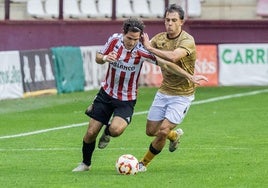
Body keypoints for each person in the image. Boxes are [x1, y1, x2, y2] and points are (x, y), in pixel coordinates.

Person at [72, 17, 205, 172]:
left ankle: (107, 132)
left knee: (116, 130)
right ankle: (85, 164)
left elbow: (167, 64)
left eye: (136, 39)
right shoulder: (114, 40)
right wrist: (106, 58)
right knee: (90, 132)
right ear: (123, 33)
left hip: (127, 99)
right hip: (106, 94)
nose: (132, 42)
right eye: (129, 38)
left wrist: (190, 76)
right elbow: (98, 58)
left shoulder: (142, 50)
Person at [138, 4, 208, 172]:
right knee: (151, 131)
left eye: (174, 20)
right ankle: (174, 136)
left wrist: (149, 48)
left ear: (181, 22)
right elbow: (140, 50)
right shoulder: (159, 39)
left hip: (183, 95)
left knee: (162, 130)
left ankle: (143, 164)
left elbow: (174, 56)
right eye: (167, 20)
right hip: (164, 91)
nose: (169, 23)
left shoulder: (187, 40)